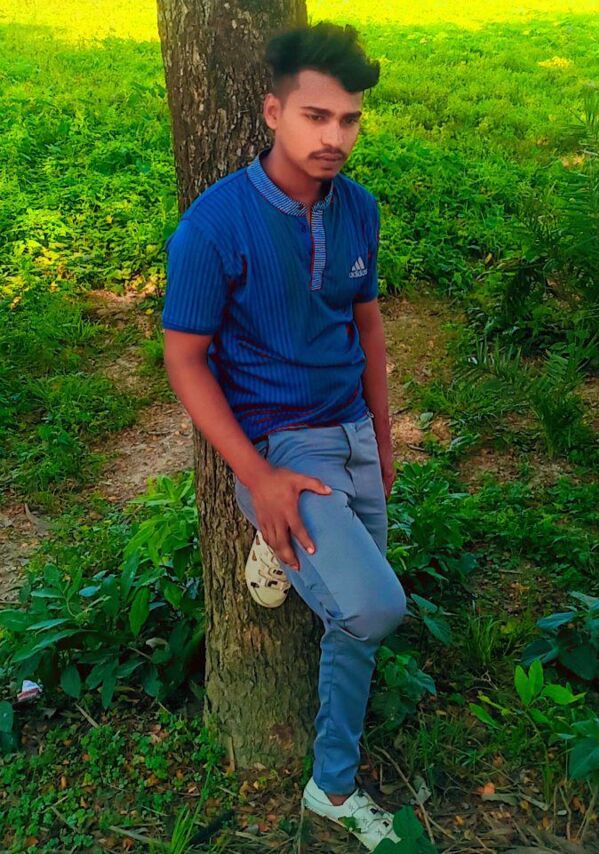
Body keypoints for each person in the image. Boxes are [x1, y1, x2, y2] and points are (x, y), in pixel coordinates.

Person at [161, 20, 408, 851]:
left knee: (356, 623)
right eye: (315, 116)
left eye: (349, 120)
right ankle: (271, 536)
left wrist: (383, 439)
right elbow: (184, 359)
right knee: (375, 607)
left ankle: (331, 784)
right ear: (273, 113)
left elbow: (366, 326)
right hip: (283, 447)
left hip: (354, 436)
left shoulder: (358, 209)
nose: (334, 136)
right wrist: (257, 476)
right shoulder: (215, 226)